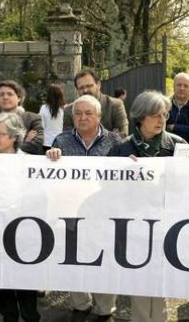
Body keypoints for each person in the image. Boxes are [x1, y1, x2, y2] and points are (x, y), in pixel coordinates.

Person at [107, 90, 187, 322]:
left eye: (164, 114)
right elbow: (107, 190)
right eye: (155, 115)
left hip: (165, 223)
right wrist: (122, 172)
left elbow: (188, 185)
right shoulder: (121, 149)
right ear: (141, 117)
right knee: (139, 282)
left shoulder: (178, 146)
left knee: (161, 282)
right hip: (134, 226)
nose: (162, 120)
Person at [45, 95, 121, 322]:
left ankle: (105, 310)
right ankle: (81, 305)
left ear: (99, 116)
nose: (83, 117)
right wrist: (50, 157)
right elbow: (49, 177)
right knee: (73, 258)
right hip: (71, 213)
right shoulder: (61, 140)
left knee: (105, 261)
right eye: (78, 113)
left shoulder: (116, 141)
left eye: (89, 113)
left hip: (104, 213)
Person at [0, 112, 41, 322]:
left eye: (0, 133)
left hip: (24, 237)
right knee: (0, 286)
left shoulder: (31, 165)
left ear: (14, 137)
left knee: (26, 290)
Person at [0, 80, 44, 155]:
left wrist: (4, 147)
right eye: (1, 94)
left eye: (10, 94)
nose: (5, 97)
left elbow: (35, 147)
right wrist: (25, 141)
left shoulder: (33, 119)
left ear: (19, 98)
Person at [63, 70, 129, 137]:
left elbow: (122, 136)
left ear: (98, 85)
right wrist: (111, 136)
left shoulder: (115, 105)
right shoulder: (69, 111)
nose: (85, 90)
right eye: (81, 88)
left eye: (89, 86)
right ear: (77, 90)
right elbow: (67, 140)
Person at [38, 84, 66, 151]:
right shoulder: (63, 109)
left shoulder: (43, 108)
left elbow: (42, 126)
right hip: (61, 140)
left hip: (47, 142)